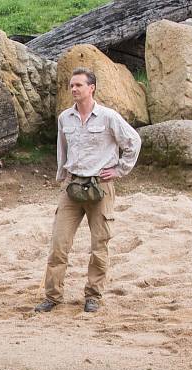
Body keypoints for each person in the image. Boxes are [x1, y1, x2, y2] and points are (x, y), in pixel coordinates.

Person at [35, 67, 141, 313]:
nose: (74, 89)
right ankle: (52, 296)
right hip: (72, 187)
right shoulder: (65, 118)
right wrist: (62, 176)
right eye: (71, 85)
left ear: (91, 88)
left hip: (100, 187)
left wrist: (119, 170)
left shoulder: (108, 116)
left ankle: (93, 296)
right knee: (59, 244)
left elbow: (133, 141)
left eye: (78, 85)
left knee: (99, 245)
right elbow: (62, 149)